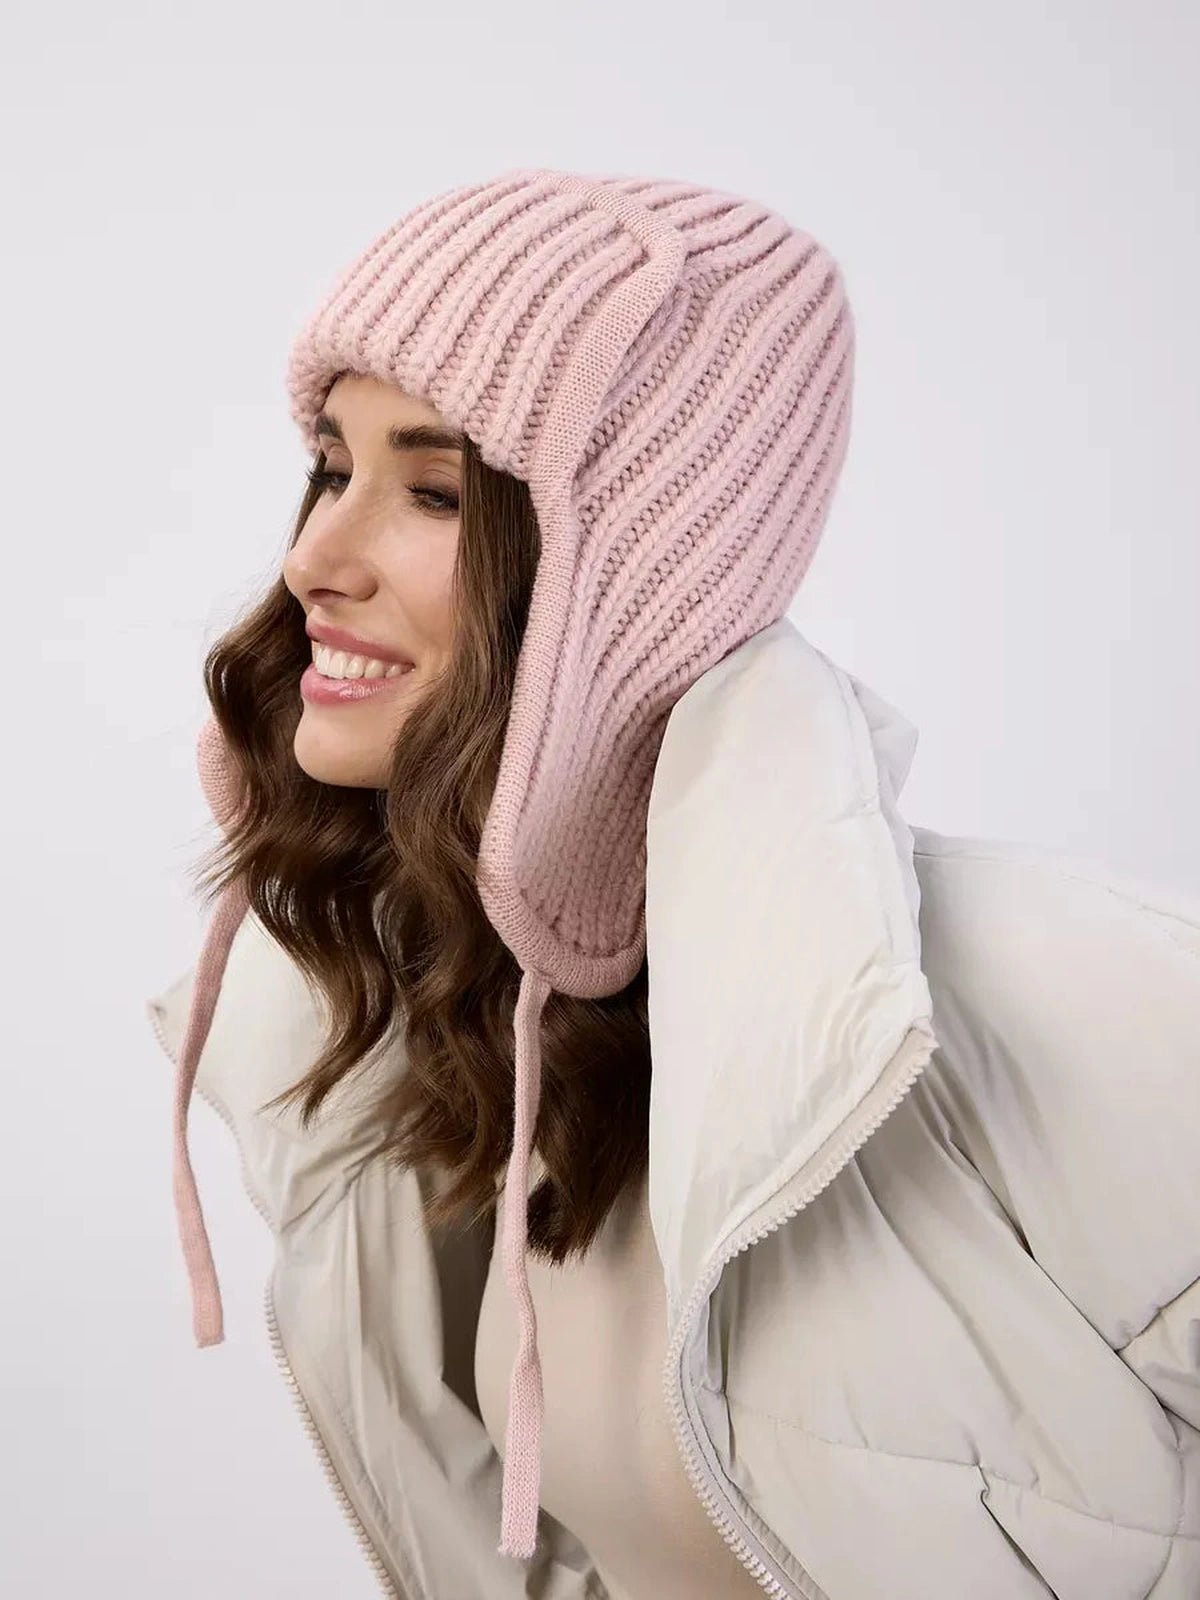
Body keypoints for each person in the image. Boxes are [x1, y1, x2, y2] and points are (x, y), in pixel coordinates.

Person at [146, 167, 1200, 1599]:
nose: (313, 561)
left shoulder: (1092, 1002)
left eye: (436, 491)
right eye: (333, 468)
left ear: (642, 578)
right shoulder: (456, 1031)